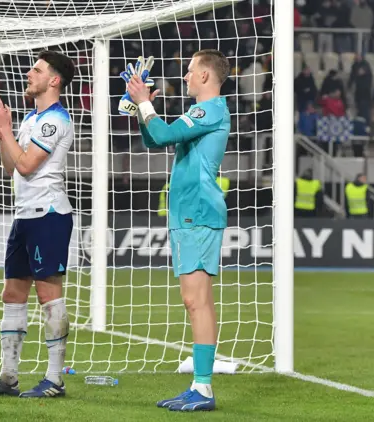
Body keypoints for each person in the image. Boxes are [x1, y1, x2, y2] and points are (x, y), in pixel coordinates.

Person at [0, 50, 75, 399]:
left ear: (54, 80)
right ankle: (8, 377)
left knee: (47, 294)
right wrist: (4, 133)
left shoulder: (55, 120)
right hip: (24, 215)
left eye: (37, 69)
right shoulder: (31, 119)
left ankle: (55, 380)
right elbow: (10, 167)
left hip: (49, 215)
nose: (30, 73)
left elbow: (27, 166)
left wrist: (5, 130)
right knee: (12, 293)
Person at [127, 49, 230, 412]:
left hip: (199, 212)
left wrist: (144, 103)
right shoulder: (197, 112)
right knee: (193, 299)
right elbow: (155, 139)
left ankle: (203, 388)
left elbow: (167, 133)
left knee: (197, 299)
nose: (185, 76)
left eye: (189, 71)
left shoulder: (211, 108)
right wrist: (141, 109)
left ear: (205, 76)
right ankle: (199, 386)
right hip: (187, 213)